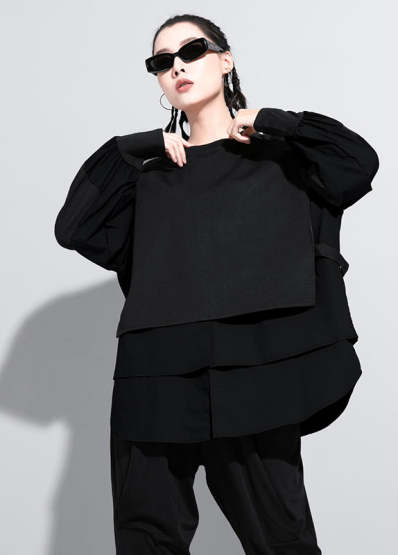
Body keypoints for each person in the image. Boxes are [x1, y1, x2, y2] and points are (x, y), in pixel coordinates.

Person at [54, 13, 379, 555]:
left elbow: (358, 163)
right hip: (155, 371)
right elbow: (74, 228)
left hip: (255, 366)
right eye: (162, 62)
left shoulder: (281, 159)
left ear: (226, 60)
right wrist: (133, 148)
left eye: (192, 51)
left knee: (283, 539)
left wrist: (273, 122)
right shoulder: (149, 175)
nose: (177, 67)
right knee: (145, 539)